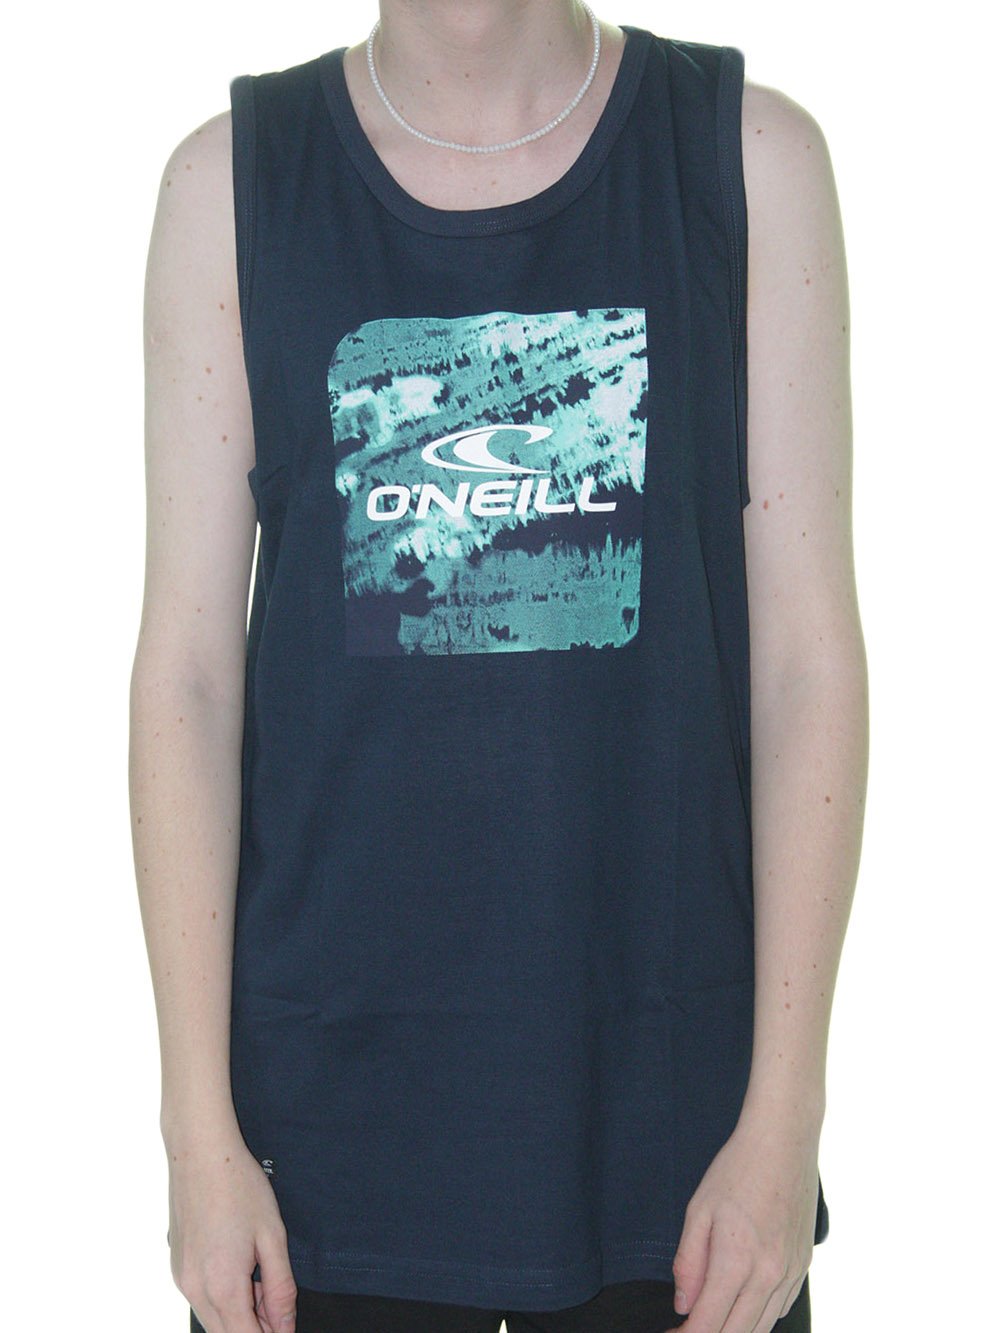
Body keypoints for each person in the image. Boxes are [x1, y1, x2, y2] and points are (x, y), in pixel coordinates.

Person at [129, 3, 868, 1331]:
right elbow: (187, 677)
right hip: (316, 1166)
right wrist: (196, 1131)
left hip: (683, 1163)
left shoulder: (747, 162)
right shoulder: (230, 185)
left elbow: (806, 664)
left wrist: (784, 1116)